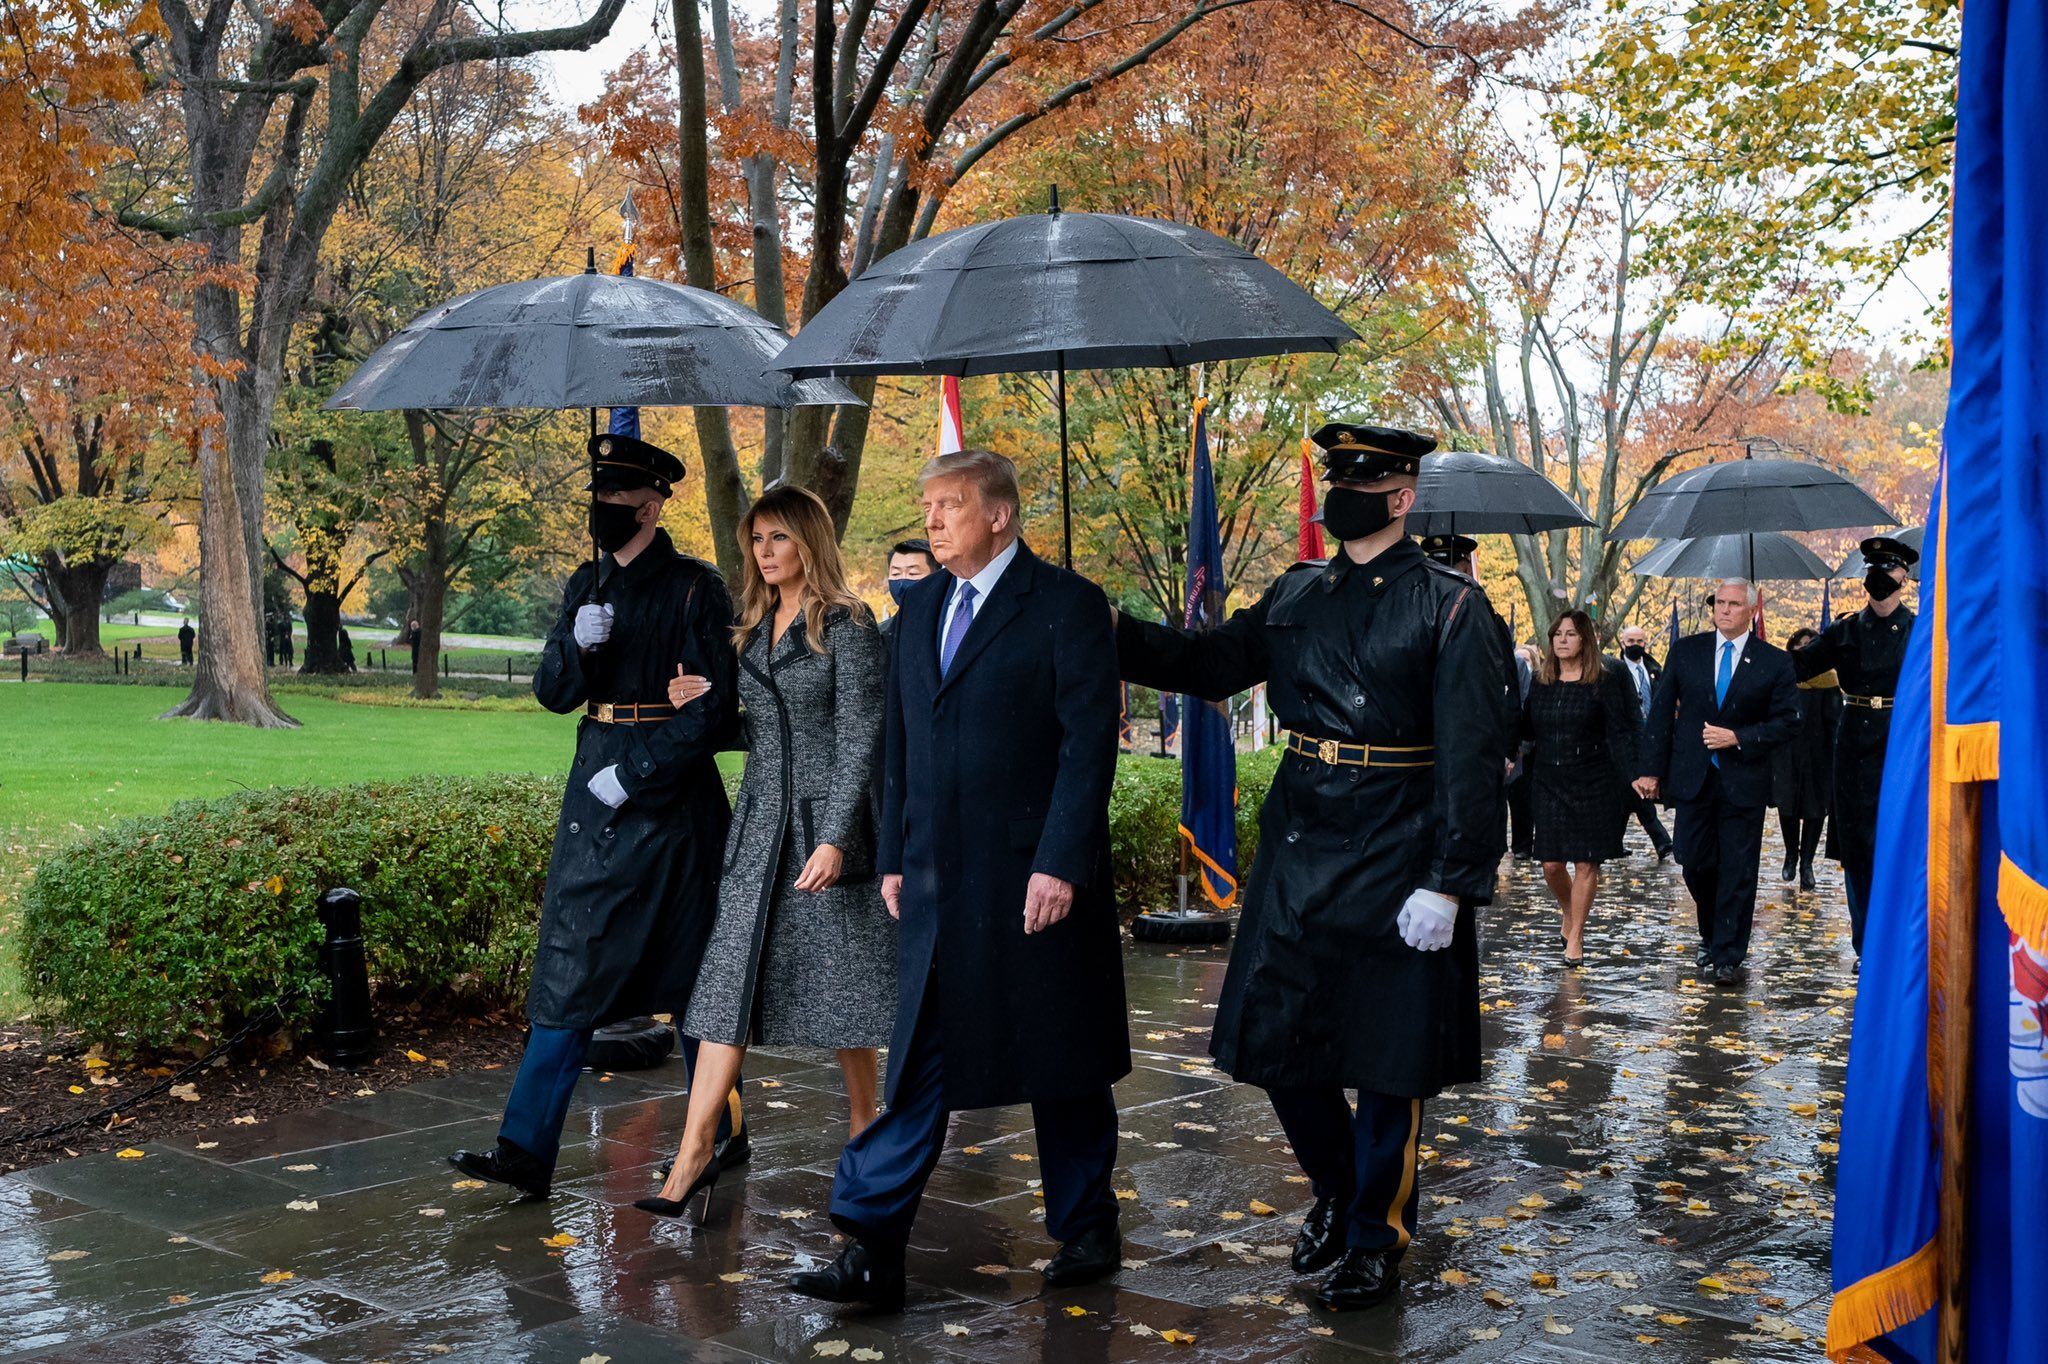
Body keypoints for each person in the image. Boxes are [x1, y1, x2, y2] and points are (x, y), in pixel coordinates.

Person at [1115, 423, 1508, 1313]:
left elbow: (1475, 757)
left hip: (1400, 843)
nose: (1342, 492)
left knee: (1388, 1060)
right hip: (1303, 837)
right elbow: (1211, 664)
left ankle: (1376, 1236)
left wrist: (1450, 881)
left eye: (1362, 479)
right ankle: (1337, 1189)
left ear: (1402, 496)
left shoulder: (1451, 604)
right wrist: (1111, 630)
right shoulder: (1297, 589)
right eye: (1337, 476)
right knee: (1278, 1039)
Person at [789, 449, 1127, 1310]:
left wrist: (1060, 861)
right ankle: (872, 1245)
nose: (932, 521)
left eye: (949, 506)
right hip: (941, 884)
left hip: (1034, 880)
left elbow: (1089, 749)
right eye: (928, 506)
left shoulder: (1069, 607)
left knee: (1061, 1055)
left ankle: (1086, 1222)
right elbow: (903, 744)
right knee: (922, 1059)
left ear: (999, 515)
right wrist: (897, 853)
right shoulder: (919, 610)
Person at [449, 433, 742, 1199]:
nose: (599, 511)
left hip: (671, 808)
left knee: (695, 981)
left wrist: (636, 771)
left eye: (612, 498)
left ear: (649, 504)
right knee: (569, 968)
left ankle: (725, 1130)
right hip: (595, 800)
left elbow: (716, 714)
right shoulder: (586, 583)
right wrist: (578, 649)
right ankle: (525, 1149)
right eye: (596, 497)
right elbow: (552, 693)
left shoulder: (693, 589)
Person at [642, 485, 895, 1221]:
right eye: (757, 540)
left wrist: (837, 839)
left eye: (779, 538)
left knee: (847, 994)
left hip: (826, 834)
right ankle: (693, 1152)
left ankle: (864, 1126)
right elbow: (770, 734)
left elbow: (857, 740)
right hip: (758, 830)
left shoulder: (849, 625)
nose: (765, 553)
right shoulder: (752, 626)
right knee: (725, 985)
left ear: (809, 541)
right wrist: (709, 708)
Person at [1634, 578, 1798, 987]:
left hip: (1743, 781)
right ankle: (1710, 929)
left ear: (1751, 611)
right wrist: (1650, 770)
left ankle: (1727, 954)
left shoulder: (1773, 662)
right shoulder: (1686, 652)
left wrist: (1739, 738)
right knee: (1693, 861)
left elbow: (1789, 722)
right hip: (1692, 778)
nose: (1724, 610)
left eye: (1733, 604)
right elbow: (1659, 716)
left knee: (1738, 869)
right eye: (1719, 603)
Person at [1792, 536, 1917, 953]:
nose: (1880, 578)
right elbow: (1797, 666)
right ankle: (1866, 945)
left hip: (1902, 740)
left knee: (1899, 842)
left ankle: (1898, 942)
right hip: (1854, 742)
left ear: (1905, 578)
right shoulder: (1845, 629)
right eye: (1873, 571)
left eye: (1889, 570)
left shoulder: (1920, 630)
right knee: (1858, 845)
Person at [1524, 610, 1641, 967]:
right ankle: (1570, 912)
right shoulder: (1541, 681)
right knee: (1551, 865)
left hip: (1594, 780)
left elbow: (1621, 731)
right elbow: (1525, 728)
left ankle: (1575, 938)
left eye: (1571, 634)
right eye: (1557, 633)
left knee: (1586, 862)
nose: (1562, 640)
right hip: (1548, 780)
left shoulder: (1603, 680)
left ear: (1584, 640)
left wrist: (1636, 774)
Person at [1774, 625, 1839, 893]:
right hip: (1787, 752)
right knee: (1787, 806)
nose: (1804, 649)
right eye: (1800, 644)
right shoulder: (1783, 677)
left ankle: (1807, 864)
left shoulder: (1828, 680)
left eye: (1810, 645)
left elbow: (1835, 720)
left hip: (1817, 754)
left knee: (1815, 810)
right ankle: (1791, 854)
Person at [1616, 624, 1675, 861]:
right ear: (1622, 643)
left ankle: (1613, 841)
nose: (1635, 646)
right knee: (1633, 789)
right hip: (1624, 739)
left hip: (1650, 739)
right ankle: (1662, 841)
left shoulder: (1655, 670)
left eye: (1639, 642)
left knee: (1631, 792)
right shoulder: (1613, 671)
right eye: (1630, 641)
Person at [1505, 643, 1538, 857]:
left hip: (1520, 749)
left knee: (1520, 798)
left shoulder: (1521, 671)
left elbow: (1525, 703)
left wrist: (1523, 746)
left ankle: (1522, 845)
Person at [878, 539, 938, 647]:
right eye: (896, 574)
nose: (902, 583)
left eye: (912, 573)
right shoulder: (879, 635)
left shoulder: (949, 630)